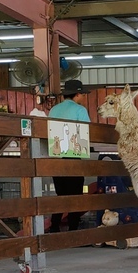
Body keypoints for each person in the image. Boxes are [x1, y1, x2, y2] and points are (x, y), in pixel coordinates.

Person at [46, 79, 90, 233]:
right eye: (82, 94)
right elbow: (86, 132)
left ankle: (54, 227)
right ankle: (73, 230)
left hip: (56, 156)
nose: (84, 97)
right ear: (77, 94)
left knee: (61, 195)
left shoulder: (53, 110)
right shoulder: (80, 110)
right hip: (73, 156)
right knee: (75, 196)